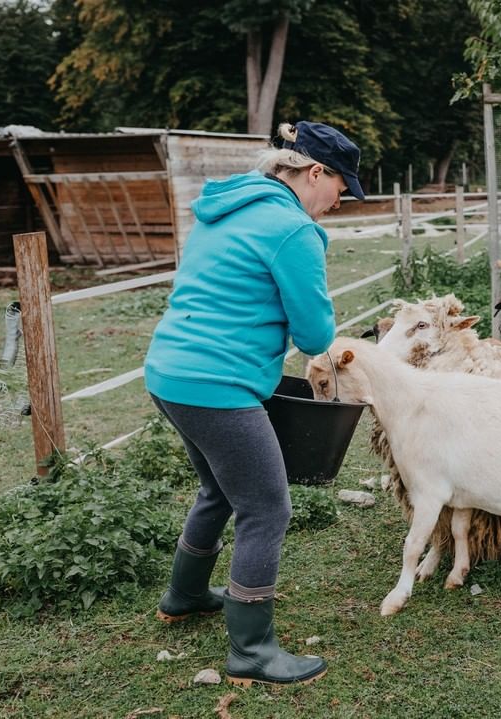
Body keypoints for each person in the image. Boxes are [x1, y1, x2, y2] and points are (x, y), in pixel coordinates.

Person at [144, 120, 365, 687]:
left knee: (218, 487)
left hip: (169, 373)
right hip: (218, 386)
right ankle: (252, 649)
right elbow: (317, 336)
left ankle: (186, 594)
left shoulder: (228, 206)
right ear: (315, 172)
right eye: (342, 188)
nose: (340, 203)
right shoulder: (293, 230)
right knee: (267, 508)